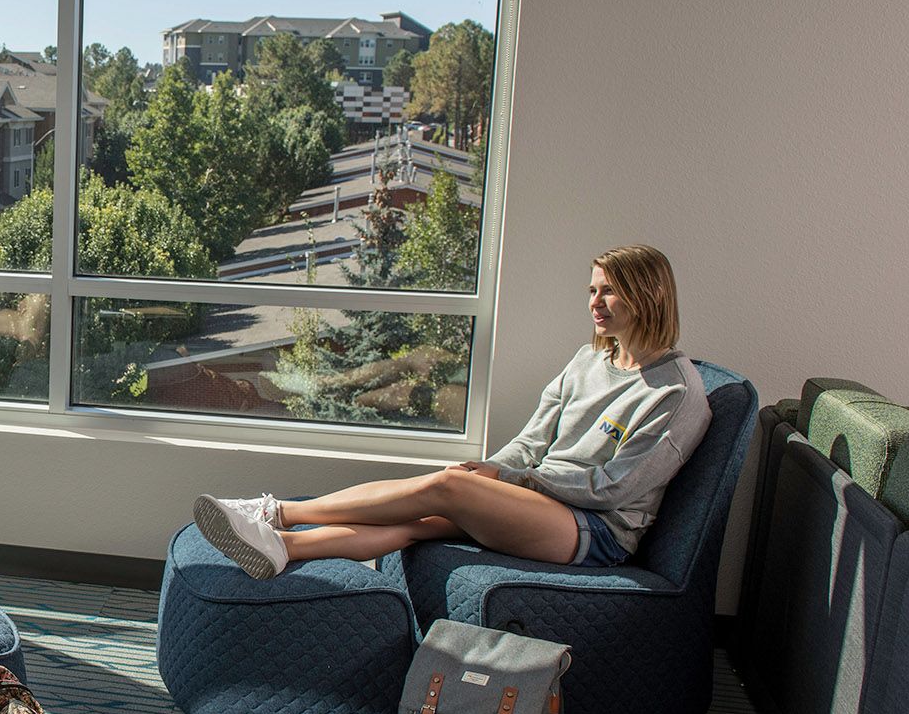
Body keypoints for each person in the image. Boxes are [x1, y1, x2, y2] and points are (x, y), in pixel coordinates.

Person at [195, 244, 710, 579]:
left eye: (610, 290)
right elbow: (533, 440)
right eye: (592, 290)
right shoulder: (589, 359)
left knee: (446, 487)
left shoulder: (676, 393)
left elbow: (614, 489)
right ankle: (284, 546)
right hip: (545, 503)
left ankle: (275, 512)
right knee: (425, 516)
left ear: (647, 294)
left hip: (595, 531)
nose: (596, 303)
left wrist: (512, 480)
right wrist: (493, 474)